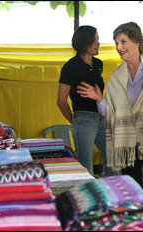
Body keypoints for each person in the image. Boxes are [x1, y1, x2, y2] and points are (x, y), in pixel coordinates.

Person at [77, 22, 143, 230]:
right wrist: (99, 99)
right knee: (132, 194)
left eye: (123, 41)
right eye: (117, 42)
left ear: (137, 42)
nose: (119, 47)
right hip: (127, 144)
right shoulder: (117, 77)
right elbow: (111, 115)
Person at [57, 25, 113, 177]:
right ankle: (87, 198)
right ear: (85, 43)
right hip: (83, 119)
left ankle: (109, 194)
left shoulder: (99, 64)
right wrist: (74, 120)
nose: (98, 44)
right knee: (85, 168)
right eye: (95, 40)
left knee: (113, 161)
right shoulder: (70, 67)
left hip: (102, 117)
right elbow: (61, 100)